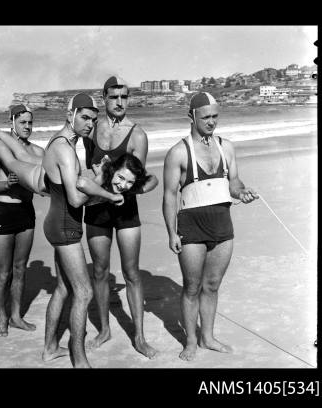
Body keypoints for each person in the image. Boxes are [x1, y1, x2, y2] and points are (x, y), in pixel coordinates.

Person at [0, 94, 127, 368]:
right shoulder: (65, 149)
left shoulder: (62, 142)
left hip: (56, 214)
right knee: (84, 292)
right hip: (64, 225)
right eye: (85, 117)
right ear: (71, 115)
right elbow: (77, 200)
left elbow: (74, 186)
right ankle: (79, 359)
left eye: (93, 118)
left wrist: (98, 180)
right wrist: (108, 196)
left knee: (64, 288)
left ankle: (49, 348)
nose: (90, 124)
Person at [162, 92, 258, 361]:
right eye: (206, 117)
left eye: (215, 116)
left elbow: (234, 182)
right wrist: (172, 232)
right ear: (191, 117)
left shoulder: (226, 147)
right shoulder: (178, 152)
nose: (211, 121)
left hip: (222, 224)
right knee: (192, 287)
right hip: (191, 225)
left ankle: (208, 337)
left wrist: (242, 193)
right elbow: (169, 195)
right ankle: (191, 341)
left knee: (212, 284)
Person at [81, 76, 159, 359]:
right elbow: (87, 172)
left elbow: (143, 176)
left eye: (124, 97)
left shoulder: (137, 134)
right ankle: (104, 329)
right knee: (100, 271)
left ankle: (138, 336)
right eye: (114, 97)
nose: (119, 102)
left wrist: (126, 188)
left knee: (132, 273)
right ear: (104, 98)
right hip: (97, 209)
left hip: (126, 210)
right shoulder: (92, 130)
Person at [0, 104, 43, 337]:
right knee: (3, 273)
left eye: (30, 123)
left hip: (26, 212)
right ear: (12, 123)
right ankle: (2, 318)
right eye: (22, 122)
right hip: (3, 212)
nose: (27, 127)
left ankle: (16, 317)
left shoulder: (37, 152)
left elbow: (43, 182)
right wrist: (7, 184)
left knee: (20, 269)